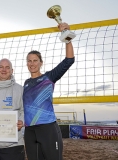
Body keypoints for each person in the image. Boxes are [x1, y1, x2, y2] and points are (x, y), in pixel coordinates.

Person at [23, 22, 75, 160]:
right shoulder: (26, 84)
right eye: (29, 61)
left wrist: (66, 36)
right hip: (29, 130)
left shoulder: (49, 77)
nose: (32, 63)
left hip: (48, 128)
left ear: (41, 62)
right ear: (26, 63)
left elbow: (69, 60)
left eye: (35, 60)